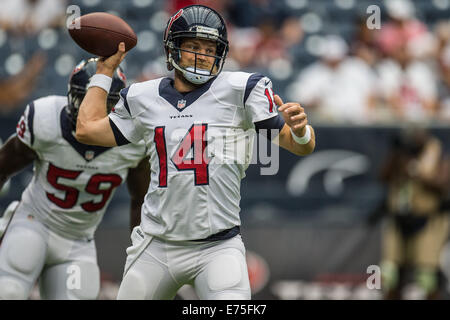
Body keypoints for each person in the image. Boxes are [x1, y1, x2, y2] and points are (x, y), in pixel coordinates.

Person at [75, 5, 315, 300]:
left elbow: (300, 146)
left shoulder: (241, 89)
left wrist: (301, 129)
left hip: (218, 246)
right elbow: (87, 130)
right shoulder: (142, 96)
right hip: (156, 245)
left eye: (210, 47)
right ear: (173, 49)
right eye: (193, 46)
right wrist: (105, 71)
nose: (202, 55)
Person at [0, 58, 150, 300]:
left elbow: (141, 200)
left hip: (78, 241)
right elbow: (3, 167)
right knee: (9, 291)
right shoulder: (46, 120)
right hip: (33, 222)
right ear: (71, 98)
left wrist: (140, 254)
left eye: (106, 105)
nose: (93, 113)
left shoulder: (133, 141)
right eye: (85, 101)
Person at [378, 126, 450, 299]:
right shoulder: (400, 157)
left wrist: (418, 170)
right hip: (399, 221)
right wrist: (397, 155)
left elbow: (442, 185)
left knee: (427, 276)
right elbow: (383, 177)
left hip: (427, 221)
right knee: (390, 274)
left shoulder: (437, 155)